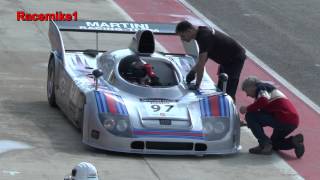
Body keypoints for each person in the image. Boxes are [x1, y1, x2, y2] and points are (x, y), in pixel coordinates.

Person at [175, 20, 246, 101]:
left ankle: (231, 111)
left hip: (234, 60)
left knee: (229, 92)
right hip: (225, 60)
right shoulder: (201, 33)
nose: (182, 39)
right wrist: (193, 71)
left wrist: (197, 85)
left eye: (183, 36)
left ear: (189, 31)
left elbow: (201, 64)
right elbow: (203, 59)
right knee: (221, 89)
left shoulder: (204, 37)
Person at [239, 76, 305, 158]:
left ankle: (264, 143)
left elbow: (263, 101)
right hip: (292, 121)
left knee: (250, 115)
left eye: (246, 91)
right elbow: (261, 113)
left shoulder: (261, 88)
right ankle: (294, 142)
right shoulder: (268, 91)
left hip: (283, 118)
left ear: (253, 86)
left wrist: (247, 108)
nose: (247, 95)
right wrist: (246, 122)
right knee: (275, 143)